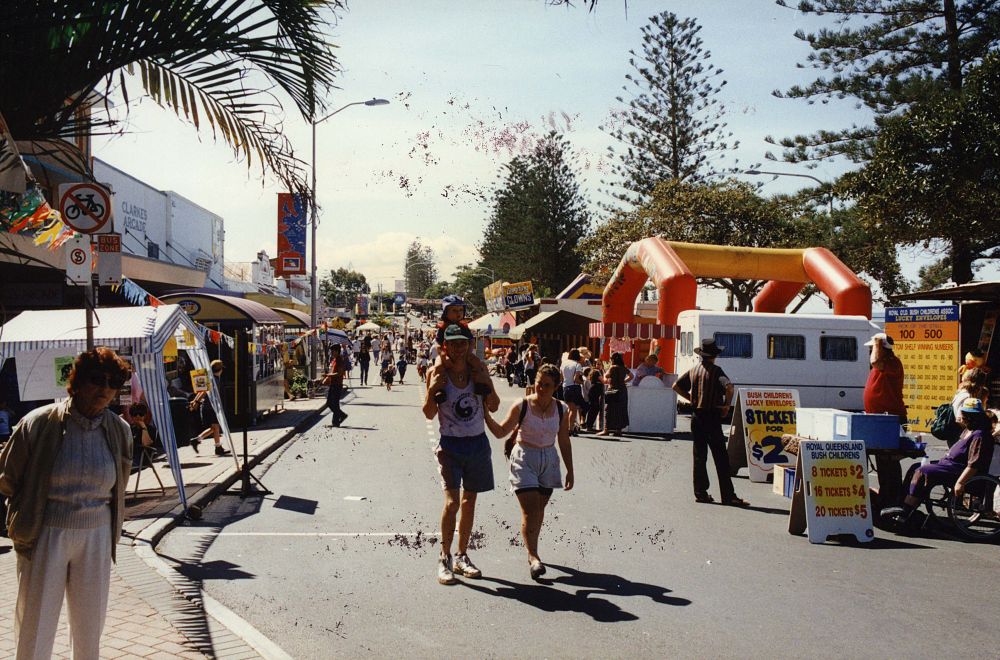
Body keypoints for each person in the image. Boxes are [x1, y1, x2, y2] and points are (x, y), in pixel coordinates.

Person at [0, 348, 133, 659]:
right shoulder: (38, 423)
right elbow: (7, 478)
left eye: (113, 383)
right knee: (36, 623)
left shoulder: (119, 430)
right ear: (76, 381)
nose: (104, 389)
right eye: (96, 379)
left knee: (90, 627)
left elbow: (120, 483)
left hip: (97, 535)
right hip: (46, 532)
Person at [422, 324, 500, 585]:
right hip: (451, 445)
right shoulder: (436, 372)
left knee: (469, 503)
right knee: (452, 503)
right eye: (453, 343)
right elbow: (429, 413)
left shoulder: (477, 371)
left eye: (462, 343)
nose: (458, 348)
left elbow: (495, 405)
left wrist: (486, 380)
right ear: (445, 346)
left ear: (468, 345)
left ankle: (461, 555)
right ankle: (443, 557)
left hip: (477, 443)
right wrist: (433, 389)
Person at [484, 364, 574, 580]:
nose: (541, 388)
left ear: (556, 386)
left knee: (538, 511)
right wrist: (484, 413)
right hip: (524, 458)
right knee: (531, 512)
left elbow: (563, 439)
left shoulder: (562, 409)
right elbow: (501, 432)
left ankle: (532, 548)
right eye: (538, 383)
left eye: (546, 385)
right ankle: (533, 557)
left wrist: (570, 470)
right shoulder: (521, 405)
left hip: (549, 461)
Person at [886, 398, 995, 527]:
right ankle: (902, 503)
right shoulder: (968, 431)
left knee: (922, 471)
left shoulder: (980, 436)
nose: (961, 418)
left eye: (964, 416)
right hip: (949, 466)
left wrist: (960, 482)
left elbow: (974, 464)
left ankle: (906, 511)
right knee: (915, 467)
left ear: (971, 417)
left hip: (958, 470)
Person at [673, 338, 749, 506]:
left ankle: (701, 493)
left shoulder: (694, 370)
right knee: (720, 457)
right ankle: (728, 496)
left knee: (700, 456)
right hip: (712, 416)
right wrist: (726, 406)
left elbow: (676, 386)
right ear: (714, 356)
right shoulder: (717, 371)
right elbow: (729, 387)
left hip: (697, 417)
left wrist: (691, 398)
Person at [429, 296, 492, 401]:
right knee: (438, 366)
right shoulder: (442, 327)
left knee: (477, 363)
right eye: (454, 310)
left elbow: (471, 341)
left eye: (460, 310)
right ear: (445, 312)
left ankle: (479, 383)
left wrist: (468, 354)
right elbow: (438, 344)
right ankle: (440, 389)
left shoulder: (464, 327)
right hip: (446, 354)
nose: (458, 313)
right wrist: (444, 356)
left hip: (464, 353)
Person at [190, 360, 231, 456]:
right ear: (220, 370)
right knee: (215, 427)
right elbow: (204, 391)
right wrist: (196, 401)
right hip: (210, 407)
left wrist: (196, 400)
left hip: (208, 406)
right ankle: (198, 440)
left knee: (215, 427)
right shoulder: (214, 380)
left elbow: (201, 390)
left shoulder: (210, 377)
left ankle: (217, 447)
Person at [863, 333, 907, 422]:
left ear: (881, 348)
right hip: (879, 416)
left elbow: (874, 361)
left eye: (873, 348)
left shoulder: (892, 362)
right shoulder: (884, 362)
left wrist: (877, 343)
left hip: (891, 417)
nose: (871, 350)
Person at [598, 352, 632, 437]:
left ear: (613, 359)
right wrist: (624, 381)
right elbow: (631, 376)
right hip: (623, 391)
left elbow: (606, 377)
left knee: (609, 409)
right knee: (621, 410)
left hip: (613, 390)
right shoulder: (623, 368)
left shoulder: (612, 367)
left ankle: (606, 430)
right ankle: (618, 430)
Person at [560, 348, 587, 434]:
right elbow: (576, 379)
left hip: (565, 387)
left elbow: (561, 378)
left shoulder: (563, 364)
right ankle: (570, 429)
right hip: (574, 388)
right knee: (574, 410)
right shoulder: (577, 365)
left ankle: (567, 427)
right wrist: (583, 382)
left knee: (569, 409)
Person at [324, 344, 348, 427]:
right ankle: (340, 417)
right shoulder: (334, 360)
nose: (331, 352)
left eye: (333, 351)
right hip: (332, 384)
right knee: (331, 403)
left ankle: (336, 421)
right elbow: (332, 371)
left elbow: (340, 373)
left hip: (337, 384)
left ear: (337, 351)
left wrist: (328, 375)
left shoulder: (339, 360)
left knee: (333, 403)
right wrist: (327, 377)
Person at [584, 368, 605, 433]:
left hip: (592, 391)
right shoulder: (598, 374)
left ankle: (589, 425)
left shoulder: (592, 380)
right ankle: (589, 426)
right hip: (595, 391)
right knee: (595, 408)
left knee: (593, 408)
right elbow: (603, 381)